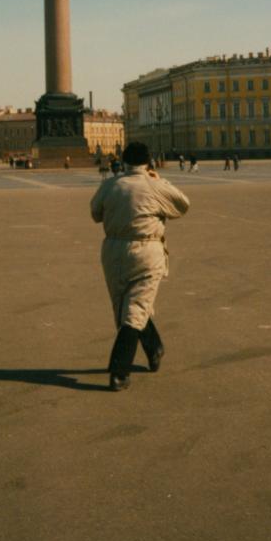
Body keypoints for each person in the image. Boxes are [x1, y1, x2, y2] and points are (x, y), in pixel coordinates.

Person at [90, 141, 189, 392]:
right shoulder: (155, 185)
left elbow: (95, 213)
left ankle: (154, 347)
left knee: (126, 307)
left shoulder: (110, 184)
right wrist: (158, 180)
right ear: (148, 162)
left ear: (124, 161)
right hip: (147, 250)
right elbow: (182, 205)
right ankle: (119, 371)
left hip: (113, 251)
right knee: (135, 310)